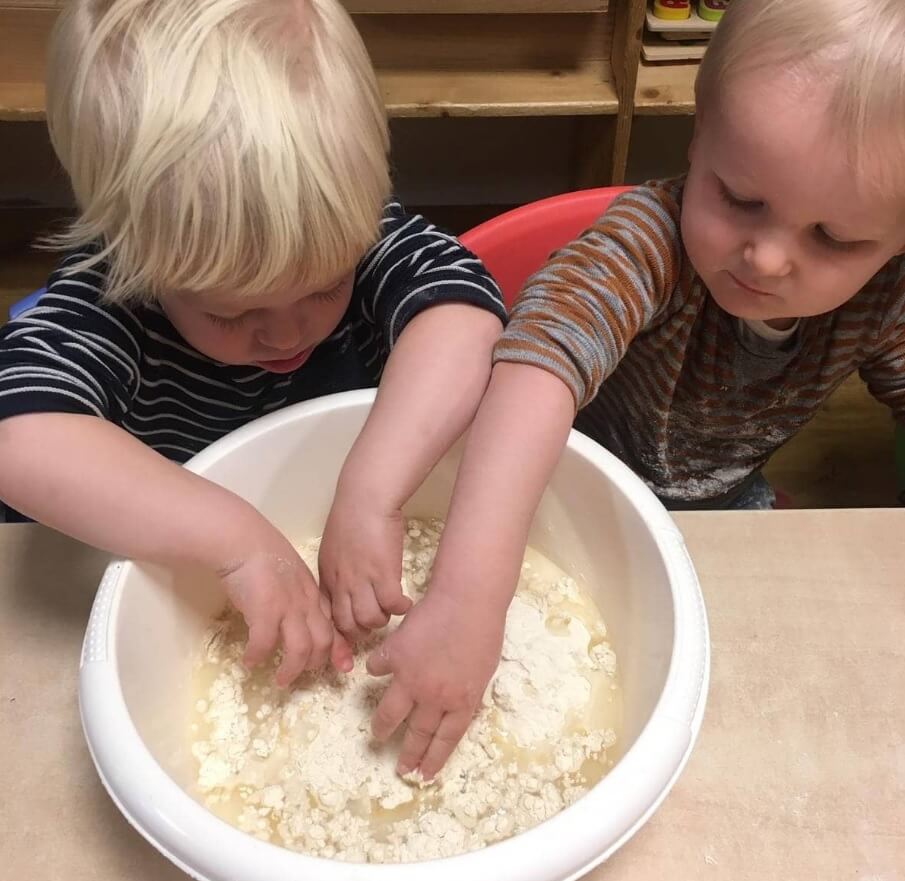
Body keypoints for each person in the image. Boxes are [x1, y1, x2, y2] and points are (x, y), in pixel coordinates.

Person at [373, 0, 905, 777]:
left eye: (831, 238)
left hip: (723, 506)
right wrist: (466, 600)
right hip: (564, 496)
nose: (763, 258)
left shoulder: (883, 298)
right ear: (698, 136)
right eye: (738, 199)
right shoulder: (645, 244)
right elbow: (538, 363)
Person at [0, 0, 504, 695]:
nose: (285, 331)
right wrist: (236, 539)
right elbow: (19, 440)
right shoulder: (112, 295)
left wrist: (371, 493)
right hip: (158, 564)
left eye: (324, 288)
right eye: (230, 312)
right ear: (136, 255)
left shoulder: (347, 229)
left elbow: (467, 318)